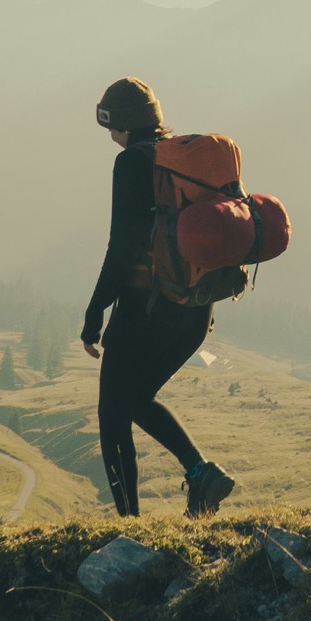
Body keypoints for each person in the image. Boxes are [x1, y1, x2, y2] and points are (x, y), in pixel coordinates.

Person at [82, 76, 237, 518]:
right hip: (194, 311)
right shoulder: (183, 162)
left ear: (123, 124)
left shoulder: (132, 163)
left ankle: (130, 524)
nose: (107, 135)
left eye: (108, 124)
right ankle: (200, 474)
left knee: (113, 417)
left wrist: (95, 313)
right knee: (136, 400)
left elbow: (122, 247)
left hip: (145, 311)